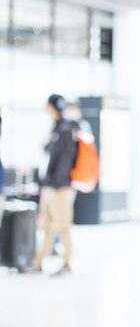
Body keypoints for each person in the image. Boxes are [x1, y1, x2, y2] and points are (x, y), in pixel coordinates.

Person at [30, 94, 79, 275]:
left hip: (60, 188)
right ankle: (38, 262)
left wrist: (55, 183)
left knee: (63, 225)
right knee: (47, 226)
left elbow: (65, 160)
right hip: (50, 186)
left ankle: (67, 263)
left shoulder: (66, 130)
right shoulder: (56, 128)